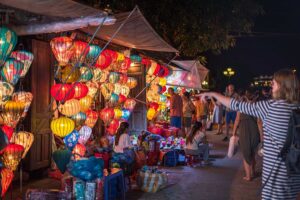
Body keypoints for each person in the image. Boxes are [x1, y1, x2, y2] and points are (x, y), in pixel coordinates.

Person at [200, 69, 300, 200]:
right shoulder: (297, 108)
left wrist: (213, 94)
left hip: (276, 176)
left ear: (281, 86)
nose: (271, 86)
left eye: (273, 83)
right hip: (294, 172)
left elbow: (236, 105)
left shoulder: (271, 107)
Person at [232, 91, 260, 181]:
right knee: (252, 154)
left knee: (246, 155)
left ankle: (248, 176)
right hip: (255, 132)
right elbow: (259, 123)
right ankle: (253, 172)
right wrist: (262, 137)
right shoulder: (257, 108)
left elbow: (237, 121)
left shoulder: (241, 107)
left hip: (244, 133)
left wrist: (234, 133)